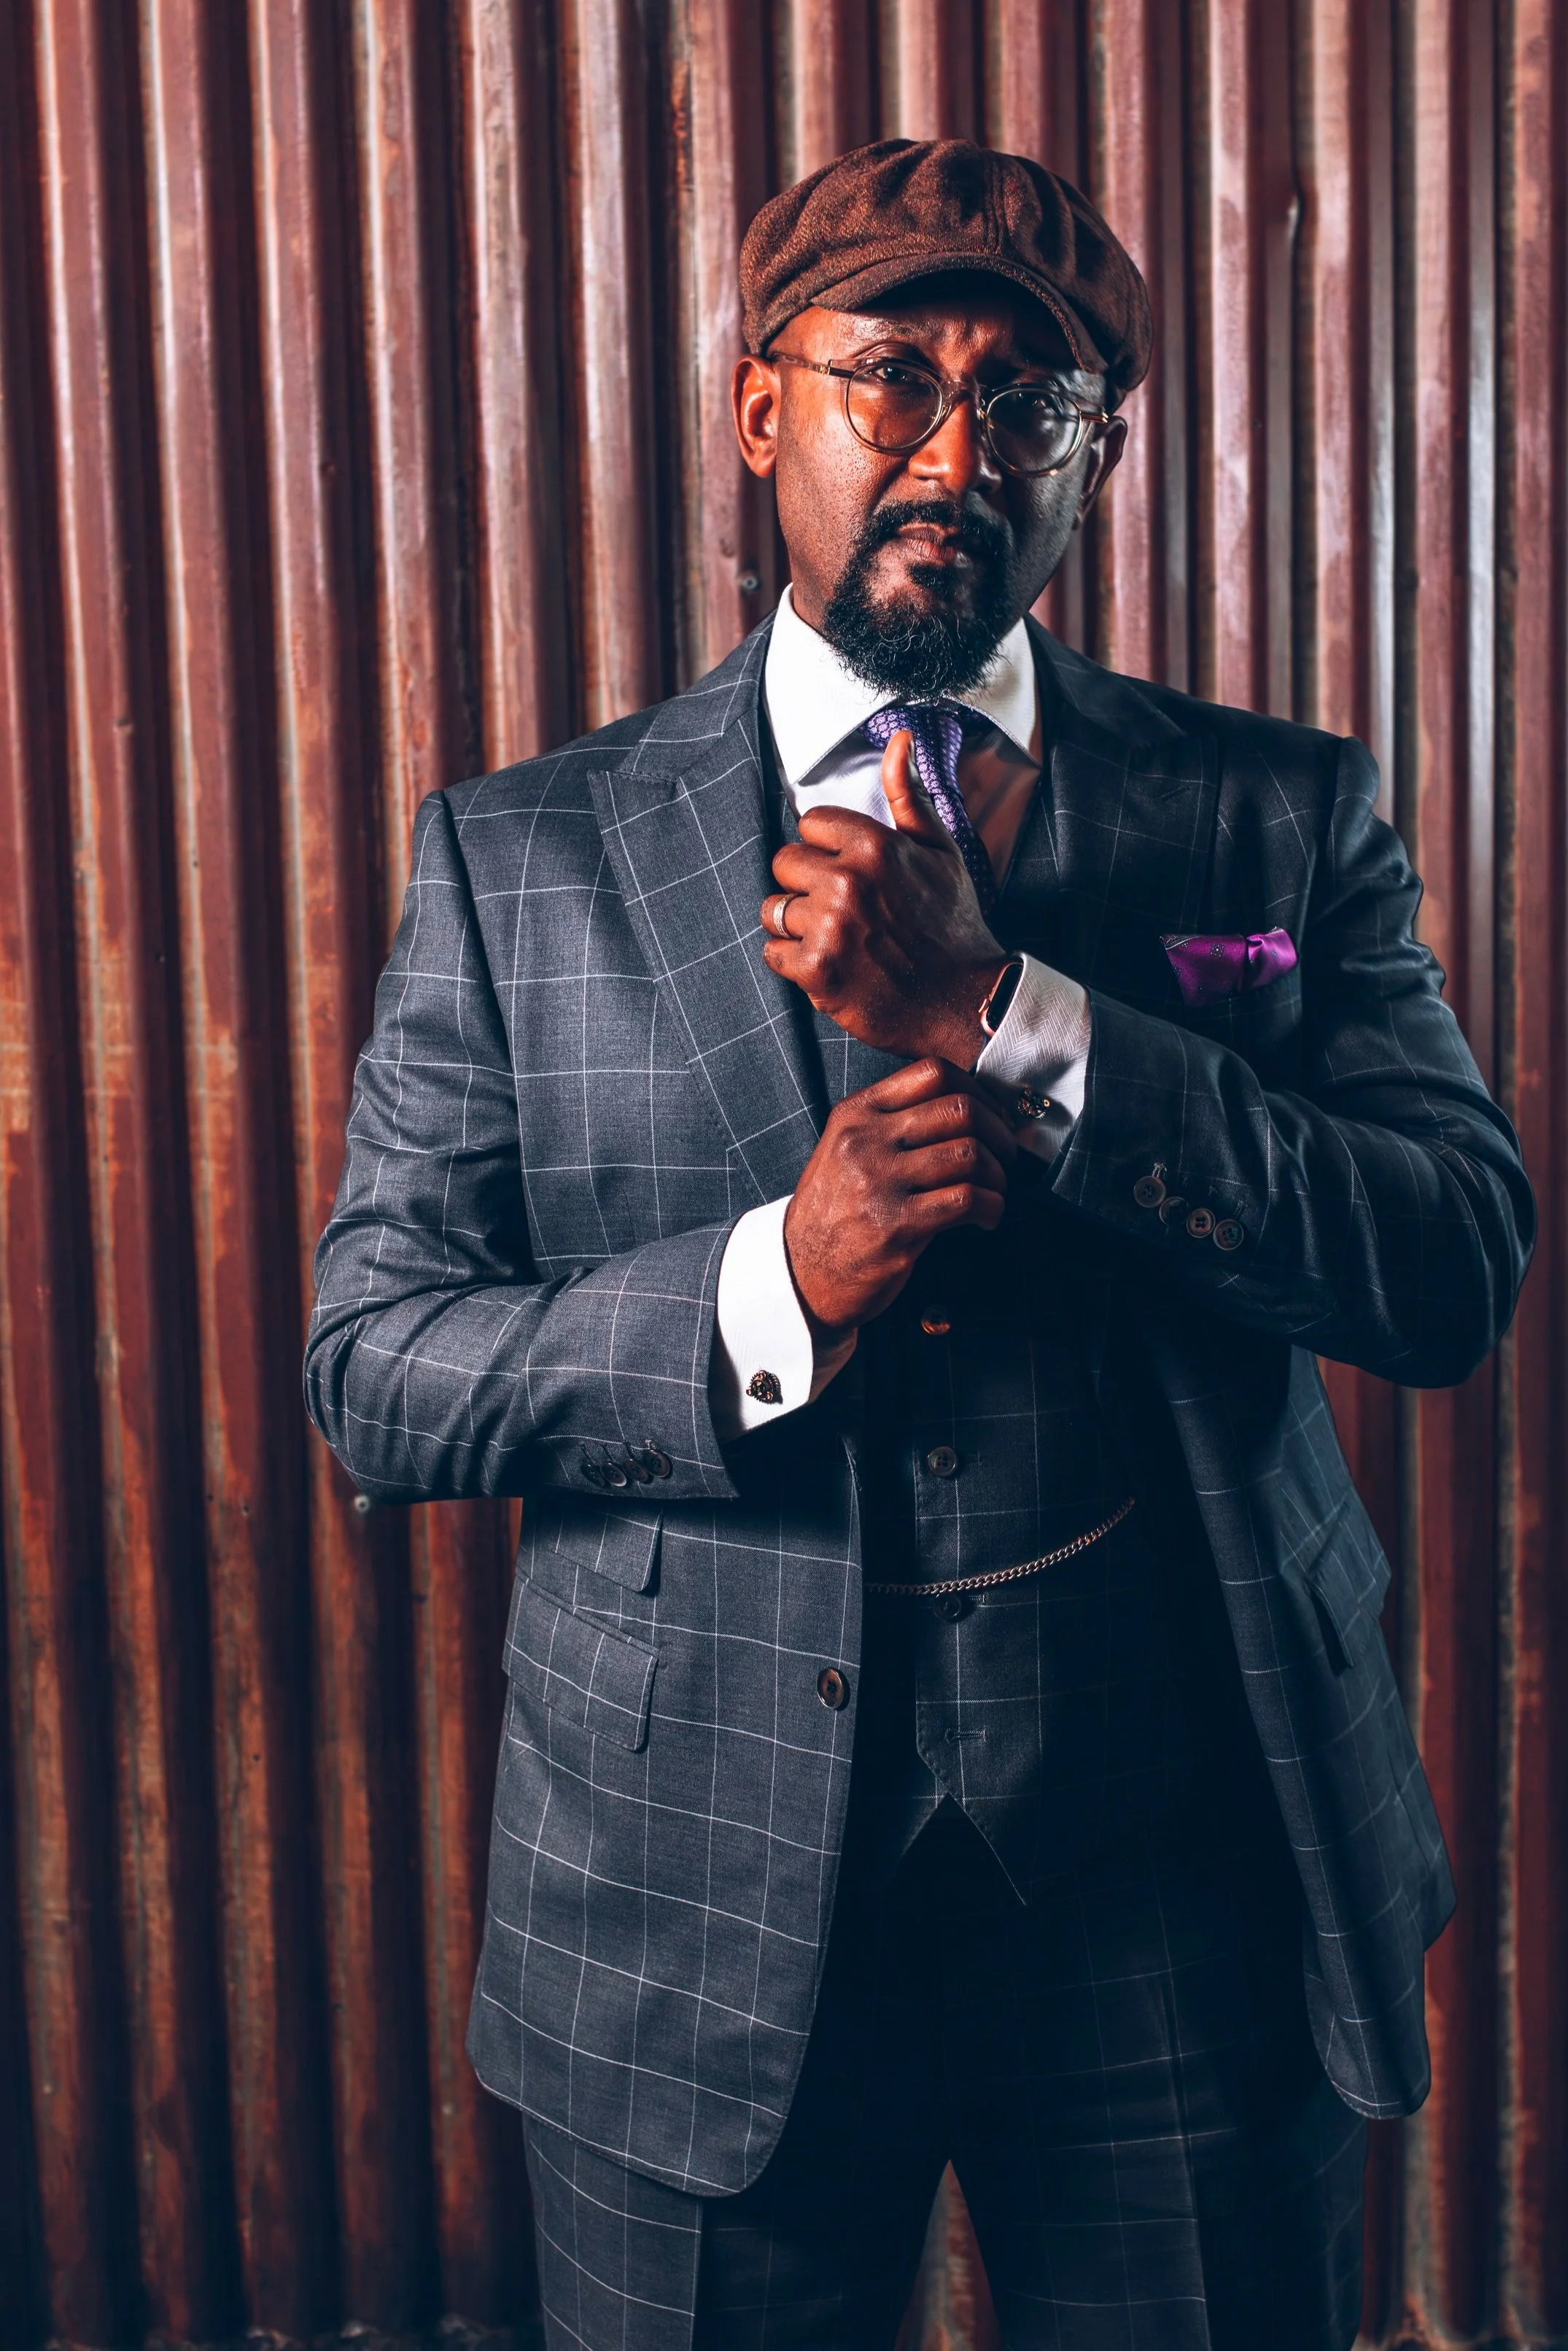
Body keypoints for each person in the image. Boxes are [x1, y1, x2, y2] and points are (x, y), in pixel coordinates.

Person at [304, 140, 1532, 2350]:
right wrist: (771, 1278)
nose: (956, 452)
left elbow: (1447, 1263)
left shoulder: (1280, 813)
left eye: (1031, 403)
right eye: (893, 374)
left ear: (1101, 455)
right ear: (763, 405)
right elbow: (376, 1364)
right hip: (690, 1897)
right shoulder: (520, 859)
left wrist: (1011, 1018)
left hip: (1183, 1874)